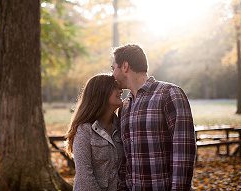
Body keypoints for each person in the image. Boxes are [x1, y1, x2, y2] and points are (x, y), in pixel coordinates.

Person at [111, 44, 196, 190]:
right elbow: (125, 158)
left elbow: (183, 151)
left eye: (113, 69)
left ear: (125, 66)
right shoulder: (124, 107)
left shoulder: (170, 94)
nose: (112, 75)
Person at [66, 74, 126, 191]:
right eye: (115, 87)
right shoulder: (84, 130)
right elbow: (85, 178)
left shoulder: (121, 126)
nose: (121, 90)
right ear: (101, 92)